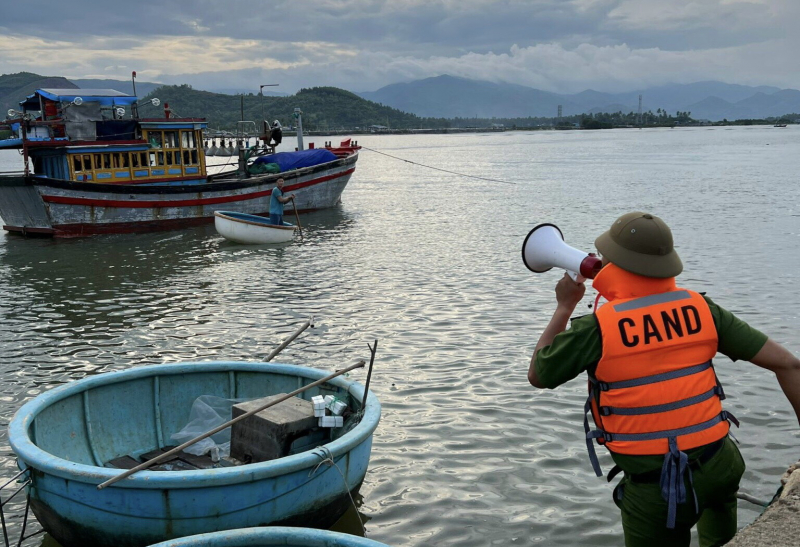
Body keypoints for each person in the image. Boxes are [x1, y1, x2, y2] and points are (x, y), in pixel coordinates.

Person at [527, 211, 800, 547]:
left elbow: (539, 374)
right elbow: (790, 365)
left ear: (616, 263)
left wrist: (564, 306)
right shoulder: (702, 308)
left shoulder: (598, 328)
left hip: (657, 490)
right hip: (721, 465)